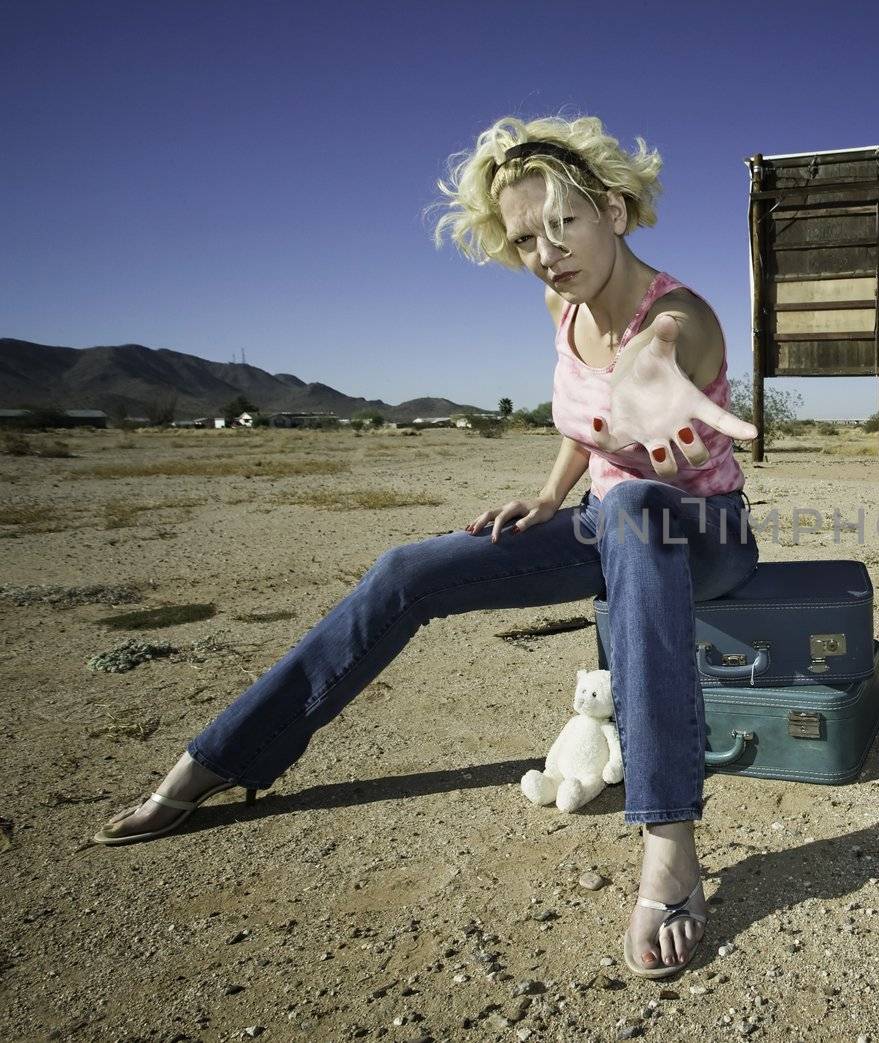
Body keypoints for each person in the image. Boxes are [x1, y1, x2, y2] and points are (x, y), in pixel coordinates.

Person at [92, 114, 761, 980]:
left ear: (615, 212)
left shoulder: (676, 315)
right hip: (606, 525)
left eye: (563, 225)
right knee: (410, 570)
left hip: (699, 530)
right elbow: (585, 419)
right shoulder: (562, 302)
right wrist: (552, 492)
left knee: (637, 501)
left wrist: (656, 382)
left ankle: (669, 843)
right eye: (525, 239)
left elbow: (659, 363)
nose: (546, 253)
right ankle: (216, 759)